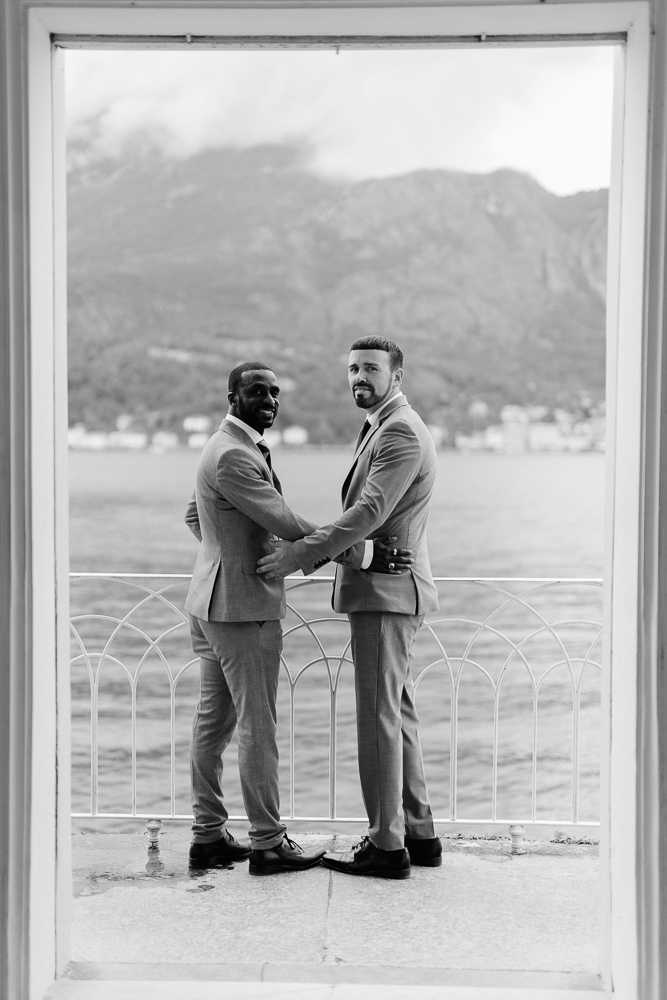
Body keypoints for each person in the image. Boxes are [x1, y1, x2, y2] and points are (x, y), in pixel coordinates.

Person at [184, 360, 405, 876]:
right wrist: (361, 555)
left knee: (213, 724)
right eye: (256, 391)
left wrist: (227, 559)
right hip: (243, 613)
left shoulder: (222, 447)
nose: (269, 399)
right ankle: (266, 842)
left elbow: (196, 516)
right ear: (232, 396)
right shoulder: (235, 456)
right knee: (257, 728)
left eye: (275, 392)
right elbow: (286, 524)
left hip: (209, 604)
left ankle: (208, 836)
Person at [257, 337, 442, 879]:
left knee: (379, 718)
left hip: (387, 594)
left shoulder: (401, 431)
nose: (359, 377)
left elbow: (368, 512)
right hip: (388, 590)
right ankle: (419, 832)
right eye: (353, 369)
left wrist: (297, 554)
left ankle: (387, 846)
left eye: (370, 369)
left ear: (397, 376)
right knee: (397, 711)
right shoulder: (384, 427)